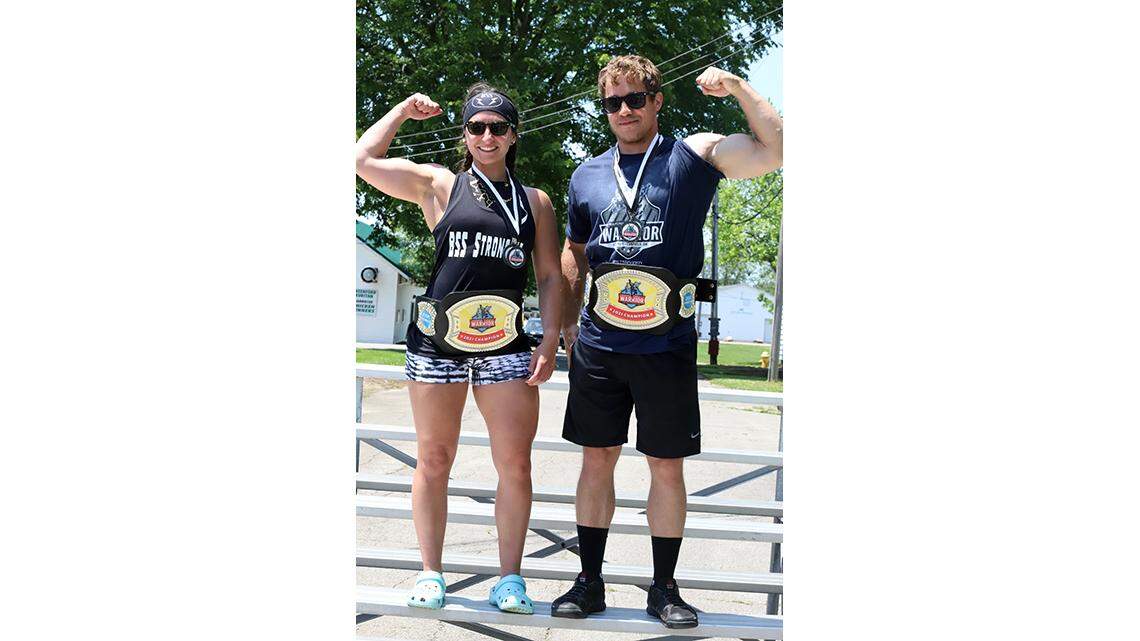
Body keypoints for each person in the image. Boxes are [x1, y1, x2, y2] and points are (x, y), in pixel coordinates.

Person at [552, 56, 783, 628]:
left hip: (666, 342)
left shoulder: (694, 153)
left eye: (636, 99)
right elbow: (574, 252)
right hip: (601, 346)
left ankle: (664, 589)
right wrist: (567, 321)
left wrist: (735, 86)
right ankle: (589, 582)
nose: (624, 110)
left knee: (667, 469)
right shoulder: (587, 173)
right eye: (613, 102)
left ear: (658, 101)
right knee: (595, 461)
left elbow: (776, 149)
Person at [355, 84, 562, 615]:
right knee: (434, 457)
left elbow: (547, 275)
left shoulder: (535, 200)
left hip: (506, 344)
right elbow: (361, 159)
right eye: (476, 127)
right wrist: (402, 109)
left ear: (514, 134)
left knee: (514, 463)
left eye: (498, 127)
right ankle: (430, 573)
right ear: (464, 134)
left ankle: (510, 579)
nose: (487, 137)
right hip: (438, 341)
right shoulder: (439, 185)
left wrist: (550, 336)